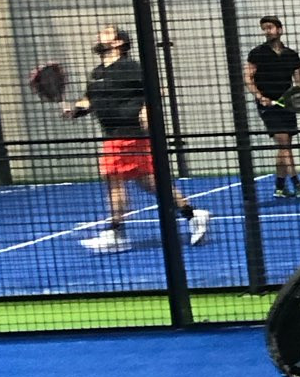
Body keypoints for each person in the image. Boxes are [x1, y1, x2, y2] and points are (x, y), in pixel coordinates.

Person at [63, 24, 210, 253]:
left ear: (119, 42)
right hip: (113, 133)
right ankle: (192, 214)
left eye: (106, 33)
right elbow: (89, 100)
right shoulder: (97, 73)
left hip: (129, 132)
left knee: (113, 179)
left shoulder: (129, 67)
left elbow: (156, 90)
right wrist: (74, 110)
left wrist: (146, 110)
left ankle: (116, 233)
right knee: (149, 182)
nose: (99, 35)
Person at [245, 15, 300, 198]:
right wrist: (260, 97)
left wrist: (299, 96)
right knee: (284, 143)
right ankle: (298, 184)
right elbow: (248, 78)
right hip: (268, 106)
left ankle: (280, 188)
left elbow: (298, 79)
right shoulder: (257, 53)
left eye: (270, 27)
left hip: (287, 105)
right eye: (264, 28)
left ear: (280, 30)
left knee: (285, 147)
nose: (267, 31)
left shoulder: (291, 54)